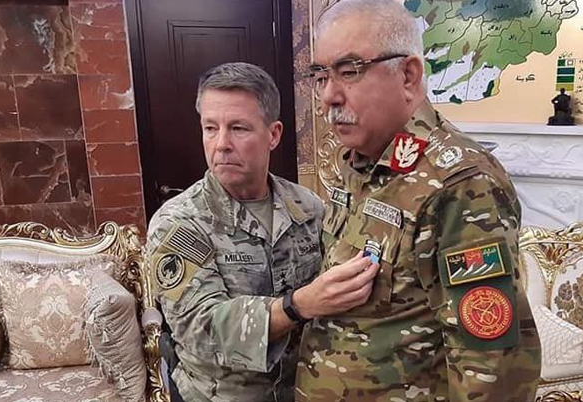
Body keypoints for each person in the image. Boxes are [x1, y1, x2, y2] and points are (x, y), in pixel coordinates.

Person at [295, 1, 541, 401]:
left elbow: (491, 364)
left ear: (408, 75)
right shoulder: (359, 162)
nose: (328, 97)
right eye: (320, 76)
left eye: (349, 71)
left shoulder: (461, 184)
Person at [146, 62, 379, 402]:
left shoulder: (308, 207)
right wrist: (299, 305)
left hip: (305, 390)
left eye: (238, 128)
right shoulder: (179, 223)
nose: (221, 144)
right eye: (210, 128)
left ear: (273, 135)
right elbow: (201, 329)